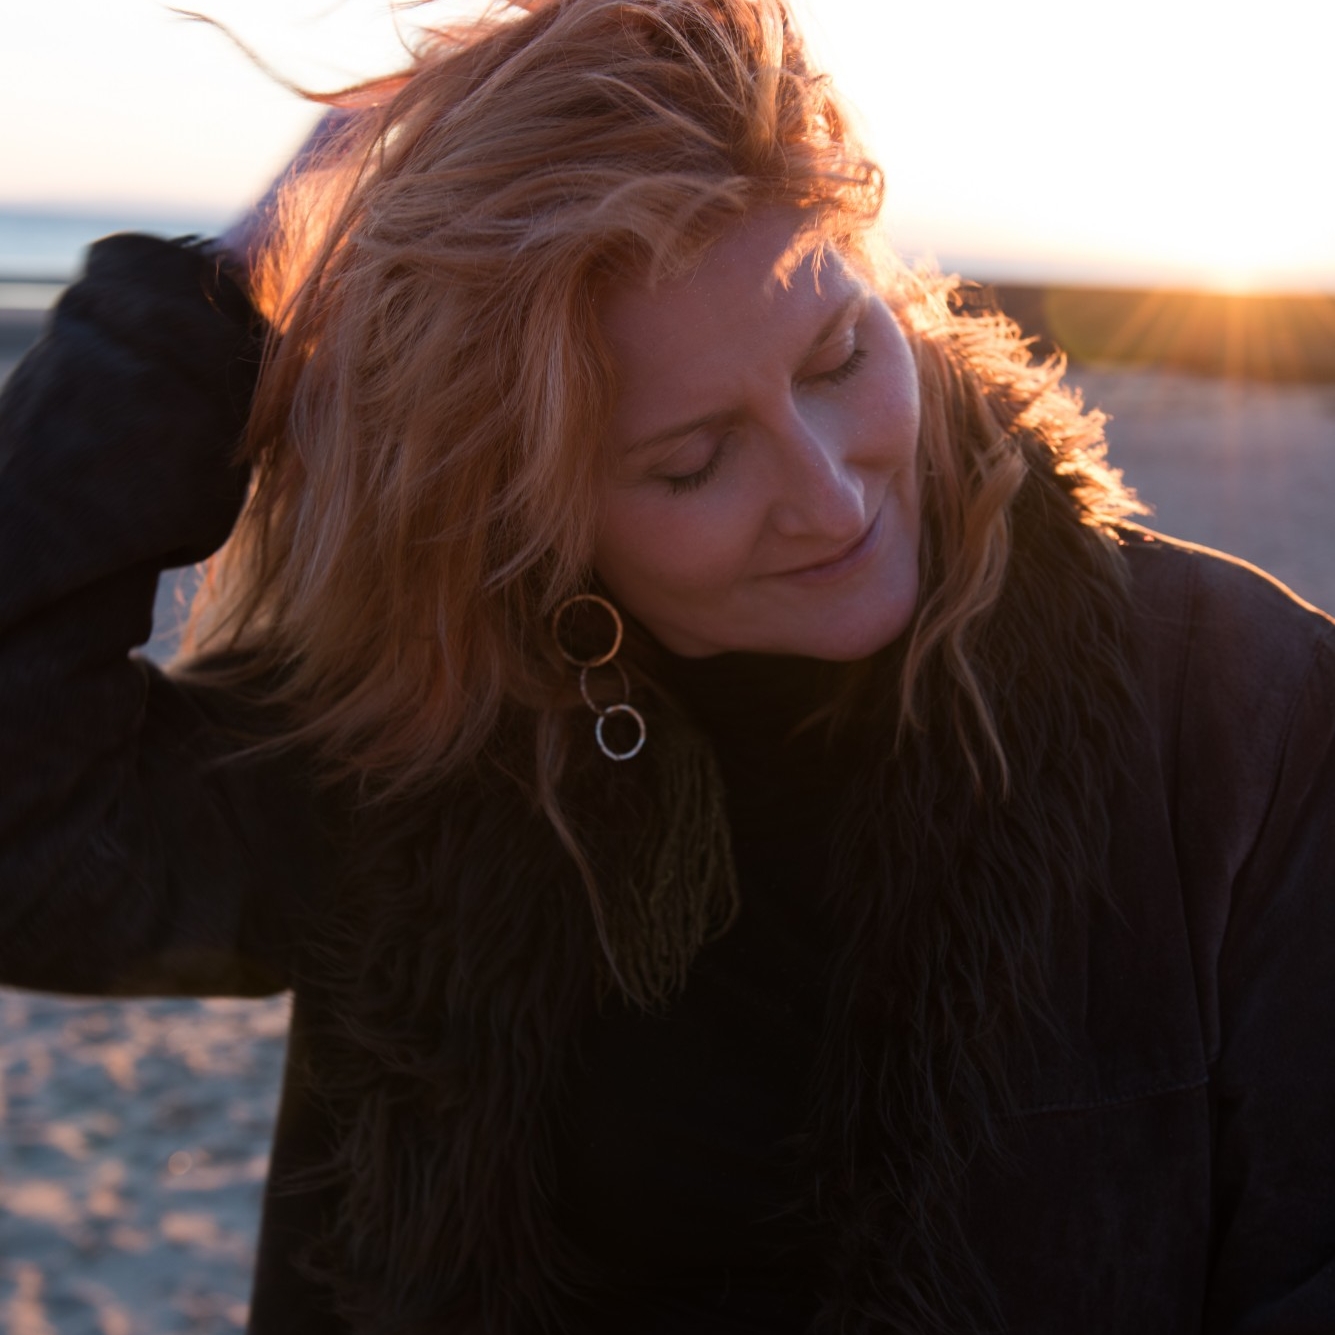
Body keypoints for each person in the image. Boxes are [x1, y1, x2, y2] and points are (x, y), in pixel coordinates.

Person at [2, 0, 1333, 1331]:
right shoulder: (428, 735)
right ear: (529, 513)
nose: (828, 497)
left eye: (839, 358)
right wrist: (216, 298)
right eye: (692, 463)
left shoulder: (1242, 716)